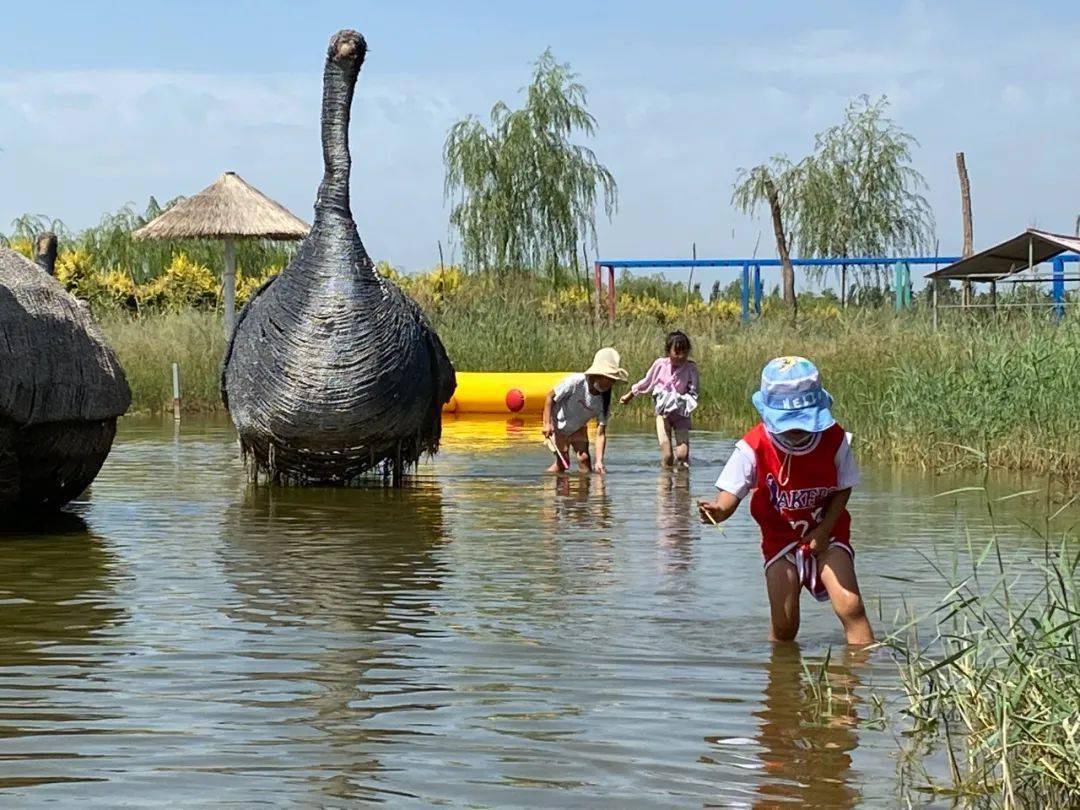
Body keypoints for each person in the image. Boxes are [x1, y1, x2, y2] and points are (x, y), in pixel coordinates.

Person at [697, 356, 874, 645]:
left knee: (850, 605)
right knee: (785, 623)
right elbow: (730, 494)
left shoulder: (834, 440)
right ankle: (782, 683)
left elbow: (844, 487)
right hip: (781, 540)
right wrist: (719, 510)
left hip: (828, 532)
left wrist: (824, 529)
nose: (796, 430)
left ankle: (864, 674)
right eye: (789, 425)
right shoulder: (753, 446)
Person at [619, 330, 699, 467]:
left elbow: (694, 390)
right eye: (677, 352)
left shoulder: (690, 368)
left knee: (682, 455)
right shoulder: (661, 365)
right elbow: (646, 382)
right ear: (668, 351)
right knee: (667, 455)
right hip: (663, 415)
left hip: (681, 414)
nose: (681, 356)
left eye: (684, 352)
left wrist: (688, 401)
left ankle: (682, 485)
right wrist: (629, 395)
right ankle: (665, 484)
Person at [542, 348, 628, 474]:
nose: (610, 383)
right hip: (557, 424)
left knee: (584, 459)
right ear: (597, 375)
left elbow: (600, 434)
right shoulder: (576, 382)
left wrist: (599, 461)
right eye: (608, 378)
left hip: (578, 427)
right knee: (563, 464)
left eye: (613, 380)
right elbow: (550, 397)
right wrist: (547, 423)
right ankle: (547, 486)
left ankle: (583, 493)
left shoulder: (604, 400)